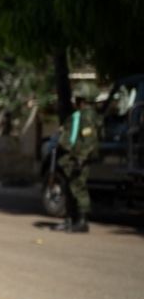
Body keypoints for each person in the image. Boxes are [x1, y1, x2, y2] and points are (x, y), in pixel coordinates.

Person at [52, 96, 97, 233]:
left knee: (79, 189)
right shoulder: (77, 116)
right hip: (71, 157)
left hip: (79, 158)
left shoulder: (87, 117)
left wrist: (81, 158)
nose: (76, 103)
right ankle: (70, 220)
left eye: (78, 100)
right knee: (69, 189)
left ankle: (82, 222)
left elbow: (89, 141)